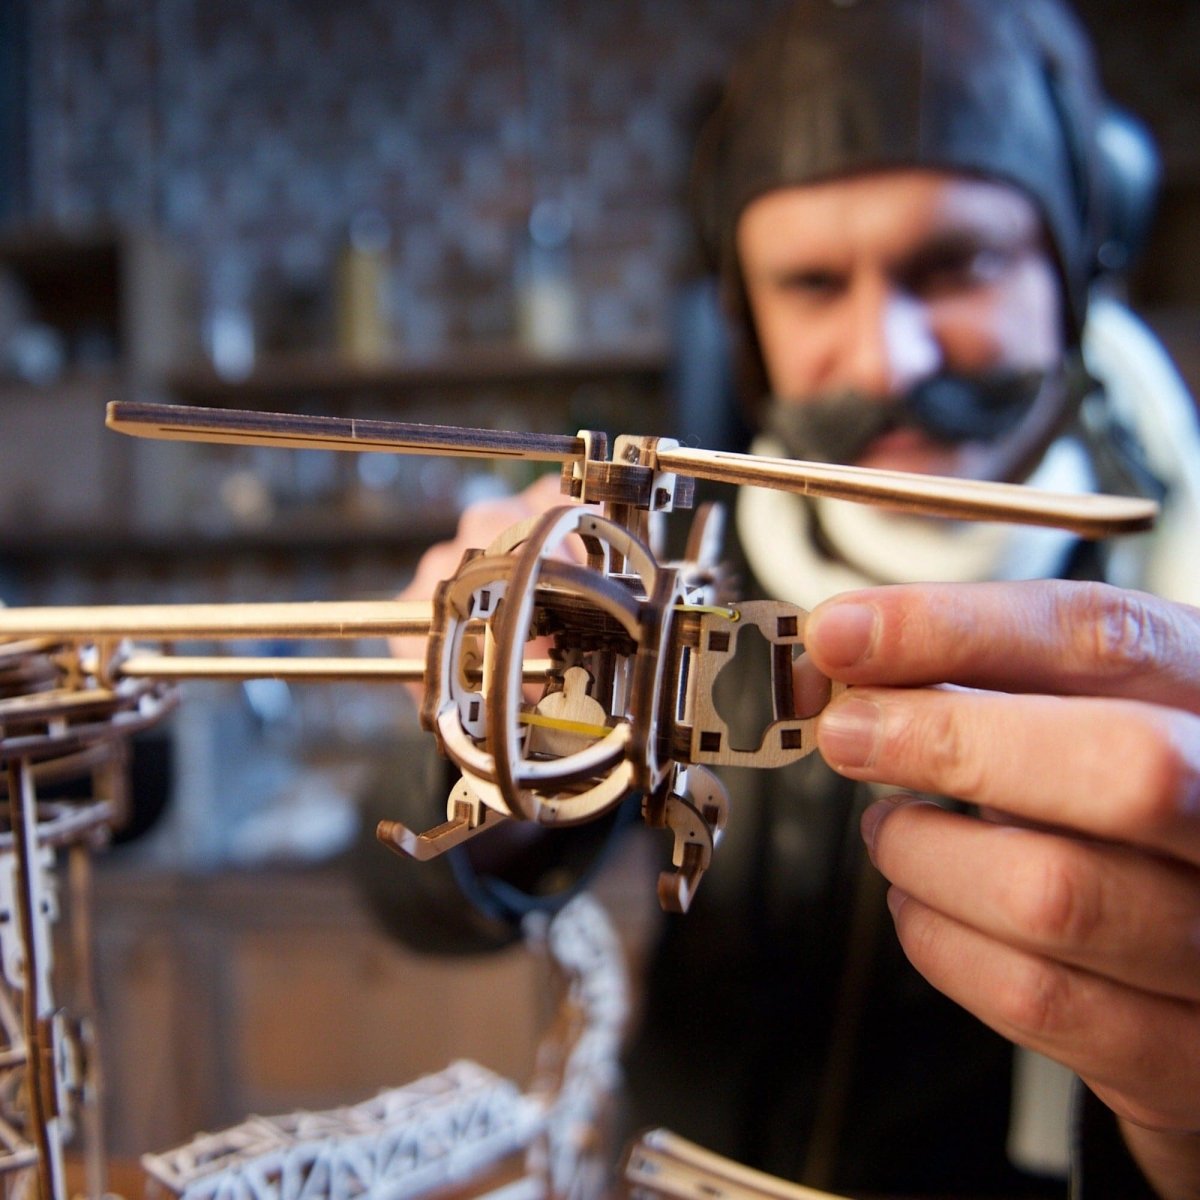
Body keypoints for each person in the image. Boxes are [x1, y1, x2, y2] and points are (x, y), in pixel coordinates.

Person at [358, 2, 1200, 1196]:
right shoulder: (674, 561)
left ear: (1075, 265)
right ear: (741, 315)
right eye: (813, 284)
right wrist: (490, 739)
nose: (889, 359)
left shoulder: (1172, 608)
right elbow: (410, 889)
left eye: (955, 263)